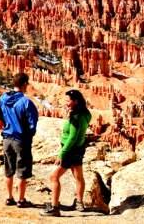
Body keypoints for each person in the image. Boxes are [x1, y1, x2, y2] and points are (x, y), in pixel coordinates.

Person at [41, 89, 92, 217]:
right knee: (78, 177)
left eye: (68, 101)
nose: (66, 103)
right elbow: (80, 134)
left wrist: (62, 153)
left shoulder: (76, 117)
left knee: (54, 177)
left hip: (70, 150)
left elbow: (72, 137)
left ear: (75, 101)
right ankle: (79, 203)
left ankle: (54, 207)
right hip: (79, 149)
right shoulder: (86, 113)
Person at [0, 73, 38, 208]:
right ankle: (21, 200)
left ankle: (9, 198)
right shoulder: (26, 102)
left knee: (8, 170)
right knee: (22, 171)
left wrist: (8, 125)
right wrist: (28, 135)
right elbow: (33, 124)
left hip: (6, 139)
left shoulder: (3, 98)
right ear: (24, 84)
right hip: (21, 140)